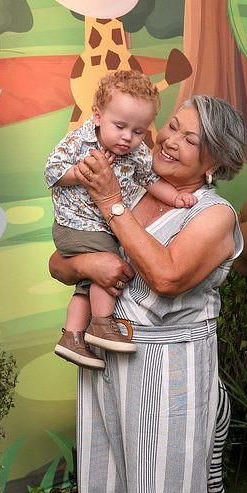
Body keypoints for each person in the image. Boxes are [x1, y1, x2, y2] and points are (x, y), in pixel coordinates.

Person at [48, 95, 246, 493]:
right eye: (172, 127)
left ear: (213, 161)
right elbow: (60, 261)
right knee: (105, 479)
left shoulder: (214, 215)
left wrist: (111, 202)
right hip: (104, 346)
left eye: (188, 138)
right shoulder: (134, 184)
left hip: (170, 361)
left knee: (168, 490)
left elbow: (166, 276)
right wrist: (86, 263)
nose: (170, 141)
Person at [46, 71, 197, 370]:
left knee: (87, 285)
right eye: (120, 126)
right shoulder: (79, 142)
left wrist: (176, 198)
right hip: (76, 225)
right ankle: (102, 324)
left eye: (139, 131)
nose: (128, 137)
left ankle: (72, 337)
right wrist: (81, 173)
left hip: (98, 226)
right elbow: (51, 171)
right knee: (109, 265)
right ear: (98, 116)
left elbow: (151, 180)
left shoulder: (137, 153)